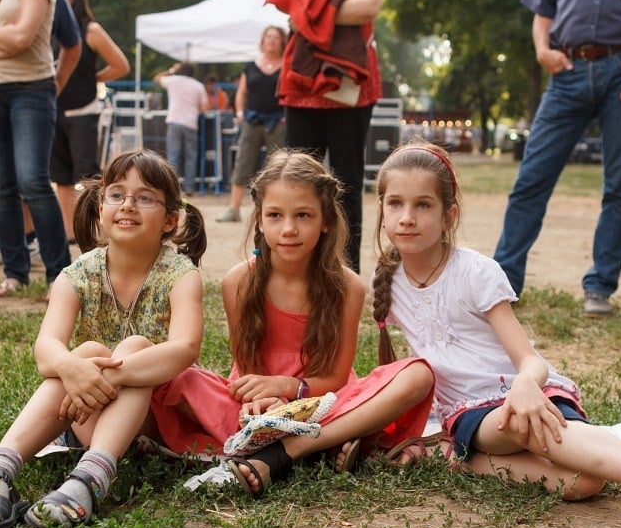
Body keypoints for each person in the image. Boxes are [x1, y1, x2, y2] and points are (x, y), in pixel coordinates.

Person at [370, 140, 621, 515]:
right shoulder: (388, 281)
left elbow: (529, 361)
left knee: (583, 483)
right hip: (473, 414)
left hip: (530, 391)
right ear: (382, 210)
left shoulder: (475, 271)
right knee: (523, 421)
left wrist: (524, 386)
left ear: (448, 215)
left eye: (423, 204)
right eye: (396, 204)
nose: (407, 217)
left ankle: (458, 459)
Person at [146, 149, 435, 498]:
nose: (288, 229)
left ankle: (298, 446)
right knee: (177, 378)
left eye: (303, 215)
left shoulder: (348, 287)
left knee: (417, 375)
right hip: (254, 412)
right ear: (260, 220)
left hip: (324, 401)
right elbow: (247, 372)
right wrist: (261, 402)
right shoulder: (238, 282)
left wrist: (288, 388)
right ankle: (328, 444)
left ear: (325, 220)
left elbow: (337, 378)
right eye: (275, 215)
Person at [0, 149, 207, 528]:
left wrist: (107, 375)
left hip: (155, 421)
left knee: (134, 345)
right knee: (83, 353)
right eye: (117, 195)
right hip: (89, 414)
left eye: (145, 197)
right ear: (100, 206)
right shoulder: (76, 275)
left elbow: (185, 349)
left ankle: (91, 479)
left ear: (170, 220)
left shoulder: (180, 274)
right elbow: (46, 349)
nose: (128, 205)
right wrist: (74, 369)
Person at [493, 0, 621, 317]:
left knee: (620, 185)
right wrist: (542, 49)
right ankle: (503, 282)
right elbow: (544, 10)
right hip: (566, 72)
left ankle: (600, 285)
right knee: (531, 179)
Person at [0, 0, 81, 298]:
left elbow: (23, 38)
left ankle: (58, 274)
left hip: (33, 89)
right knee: (0, 184)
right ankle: (15, 273)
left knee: (32, 180)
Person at [267, 0, 384, 273]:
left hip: (349, 79)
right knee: (295, 182)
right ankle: (295, 269)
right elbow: (287, 7)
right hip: (302, 79)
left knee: (347, 184)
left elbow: (367, 8)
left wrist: (308, 14)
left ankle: (344, 275)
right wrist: (329, 13)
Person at [51, 0, 129, 244]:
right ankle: (69, 231)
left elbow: (121, 65)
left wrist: (93, 78)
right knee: (61, 176)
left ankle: (99, 230)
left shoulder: (91, 30)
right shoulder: (47, 27)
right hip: (53, 109)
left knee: (88, 175)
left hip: (83, 110)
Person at [217, 25, 287, 223]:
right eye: (268, 37)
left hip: (277, 120)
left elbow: (291, 92)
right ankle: (234, 208)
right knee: (243, 162)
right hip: (252, 120)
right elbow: (242, 93)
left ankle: (276, 208)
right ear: (262, 41)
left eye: (276, 37)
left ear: (282, 41)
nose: (272, 40)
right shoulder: (250, 66)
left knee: (278, 165)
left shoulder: (288, 64)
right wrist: (240, 113)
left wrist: (286, 117)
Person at [154, 62, 209, 196]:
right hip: (191, 123)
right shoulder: (198, 85)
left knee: (173, 156)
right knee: (191, 156)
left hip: (174, 121)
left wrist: (171, 69)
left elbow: (156, 78)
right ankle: (189, 187)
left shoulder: (173, 81)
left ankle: (172, 186)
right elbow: (204, 108)